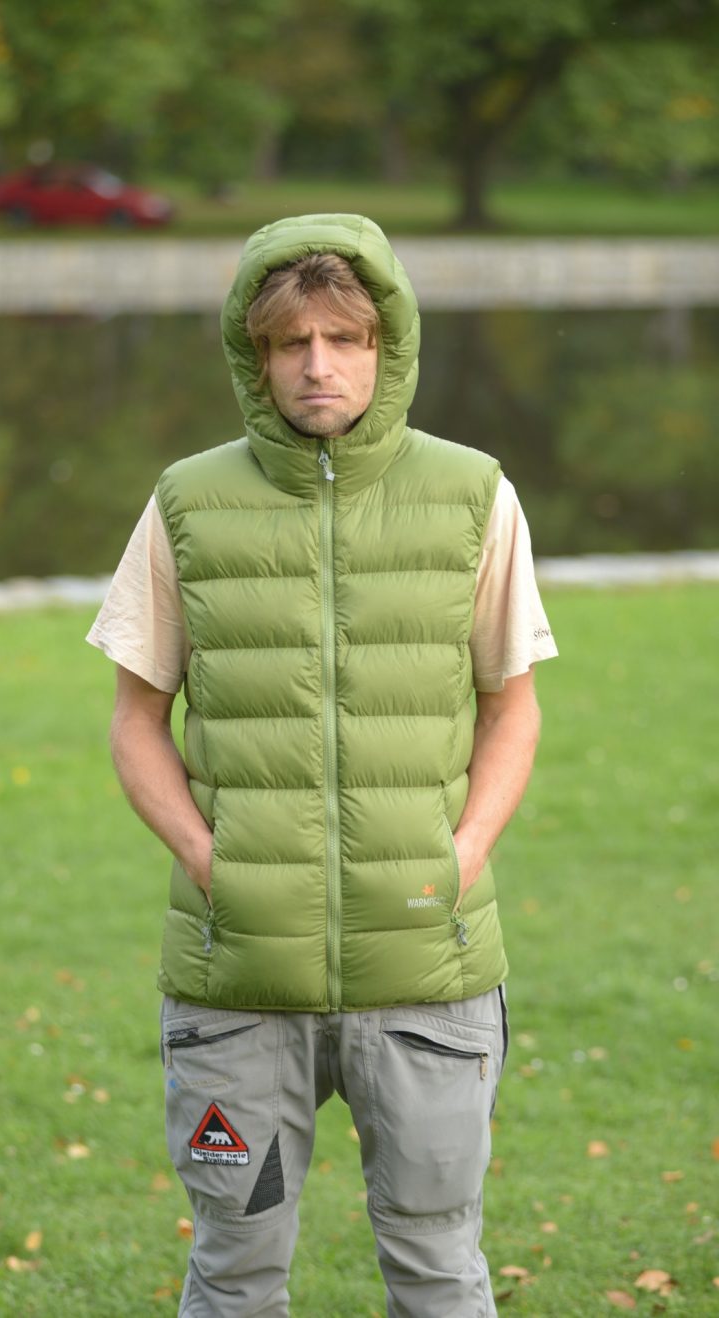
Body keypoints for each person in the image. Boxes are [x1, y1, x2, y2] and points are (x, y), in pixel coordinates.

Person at [87, 214, 558, 1317]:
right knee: (235, 1272)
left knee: (439, 1267)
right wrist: (208, 861)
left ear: (387, 348)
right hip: (238, 982)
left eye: (344, 339)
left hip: (428, 973)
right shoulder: (186, 503)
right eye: (290, 342)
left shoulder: (475, 495)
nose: (317, 365)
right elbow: (134, 719)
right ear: (253, 357)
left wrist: (460, 857)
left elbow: (514, 708)